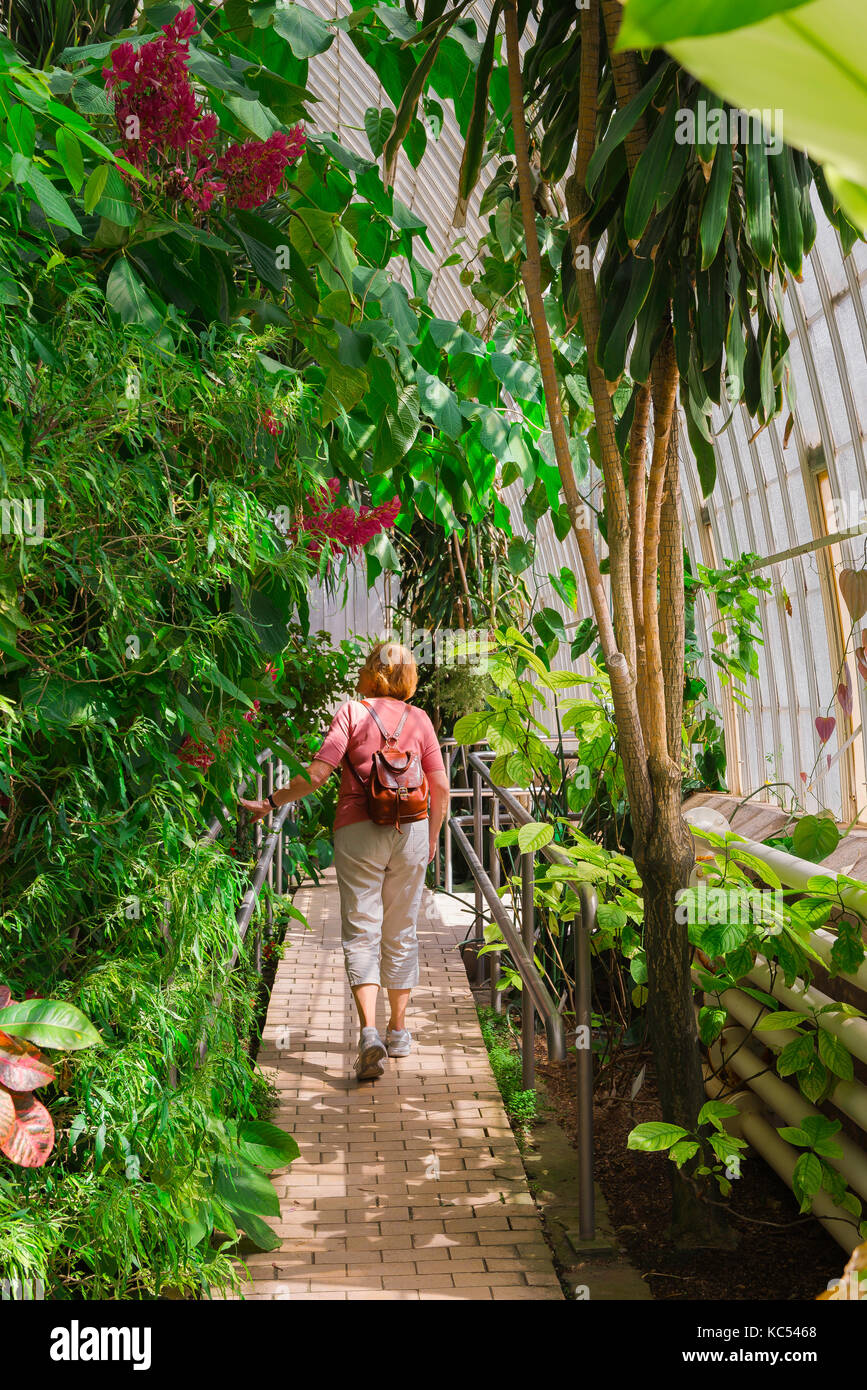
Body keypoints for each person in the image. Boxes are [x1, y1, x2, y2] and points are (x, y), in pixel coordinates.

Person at [239, 641, 450, 1081]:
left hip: (357, 829)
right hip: (410, 830)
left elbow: (317, 775)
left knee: (361, 930)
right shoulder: (421, 719)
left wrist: (270, 801)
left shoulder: (352, 713)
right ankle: (399, 1031)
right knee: (402, 929)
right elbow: (441, 788)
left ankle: (369, 1033)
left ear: (370, 672)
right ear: (409, 676)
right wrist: (430, 837)